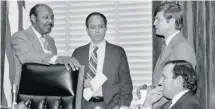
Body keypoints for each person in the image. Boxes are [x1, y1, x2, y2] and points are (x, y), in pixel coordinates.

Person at [136, 2, 196, 107]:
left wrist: (150, 104)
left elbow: (180, 87)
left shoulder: (181, 47)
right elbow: (166, 81)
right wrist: (149, 89)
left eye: (158, 19)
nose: (154, 23)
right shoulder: (167, 45)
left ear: (171, 22)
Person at [72, 12, 133, 109]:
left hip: (111, 105)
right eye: (92, 27)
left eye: (100, 26)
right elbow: (70, 83)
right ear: (87, 30)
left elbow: (126, 84)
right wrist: (81, 82)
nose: (97, 31)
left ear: (105, 28)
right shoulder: (78, 53)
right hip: (84, 105)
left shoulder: (118, 52)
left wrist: (122, 106)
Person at [11, 4, 80, 85]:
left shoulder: (50, 40)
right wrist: (57, 59)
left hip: (49, 91)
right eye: (45, 17)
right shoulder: (20, 36)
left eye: (52, 17)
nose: (50, 21)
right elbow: (26, 57)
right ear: (33, 18)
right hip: (26, 92)